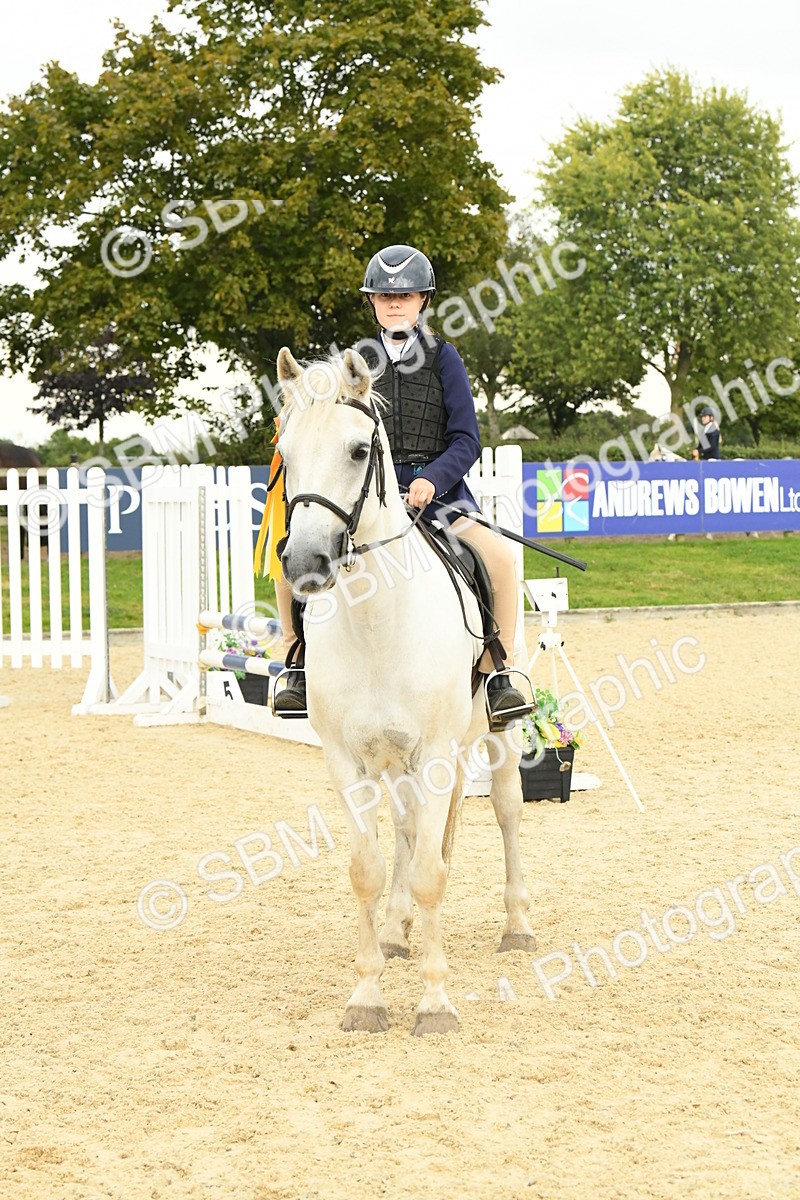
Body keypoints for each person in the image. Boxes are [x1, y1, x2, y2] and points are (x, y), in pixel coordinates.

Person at [273, 243, 533, 727]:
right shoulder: (352, 365)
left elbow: (467, 439)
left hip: (438, 498)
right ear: (372, 301)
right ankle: (298, 665)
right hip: (366, 497)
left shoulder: (444, 358)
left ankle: (500, 670)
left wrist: (433, 479)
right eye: (385, 296)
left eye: (406, 296)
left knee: (499, 556)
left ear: (422, 301)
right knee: (290, 560)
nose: (395, 304)